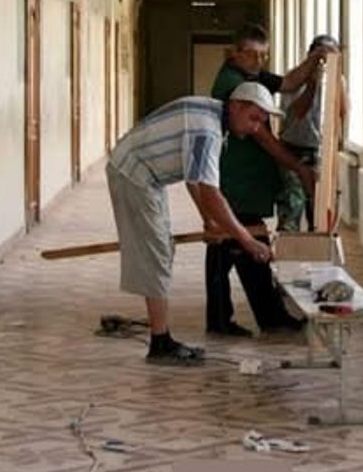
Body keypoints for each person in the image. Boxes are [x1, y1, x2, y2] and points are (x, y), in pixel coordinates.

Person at [105, 82, 282, 364]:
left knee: (162, 248)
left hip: (144, 173)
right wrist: (247, 240)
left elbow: (193, 177)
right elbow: (210, 191)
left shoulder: (212, 116)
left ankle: (162, 337)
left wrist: (209, 221)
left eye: (261, 122)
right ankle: (160, 344)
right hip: (134, 173)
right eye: (253, 118)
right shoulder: (207, 130)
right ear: (236, 106)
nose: (256, 128)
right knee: (156, 251)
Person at [204, 24, 333, 337]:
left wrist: (315, 59)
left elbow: (288, 83)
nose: (259, 61)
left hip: (246, 184)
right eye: (252, 54)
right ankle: (229, 319)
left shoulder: (251, 76)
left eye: (264, 55)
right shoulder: (233, 84)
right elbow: (262, 136)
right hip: (235, 181)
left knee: (243, 246)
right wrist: (299, 168)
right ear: (235, 53)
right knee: (228, 246)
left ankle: (265, 315)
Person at [276, 35, 347, 232]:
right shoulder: (296, 78)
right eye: (320, 56)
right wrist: (312, 84)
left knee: (318, 212)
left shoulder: (336, 80)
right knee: (292, 205)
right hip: (292, 149)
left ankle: (314, 248)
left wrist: (337, 79)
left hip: (318, 152)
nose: (324, 61)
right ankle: (288, 246)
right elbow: (298, 112)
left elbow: (342, 112)